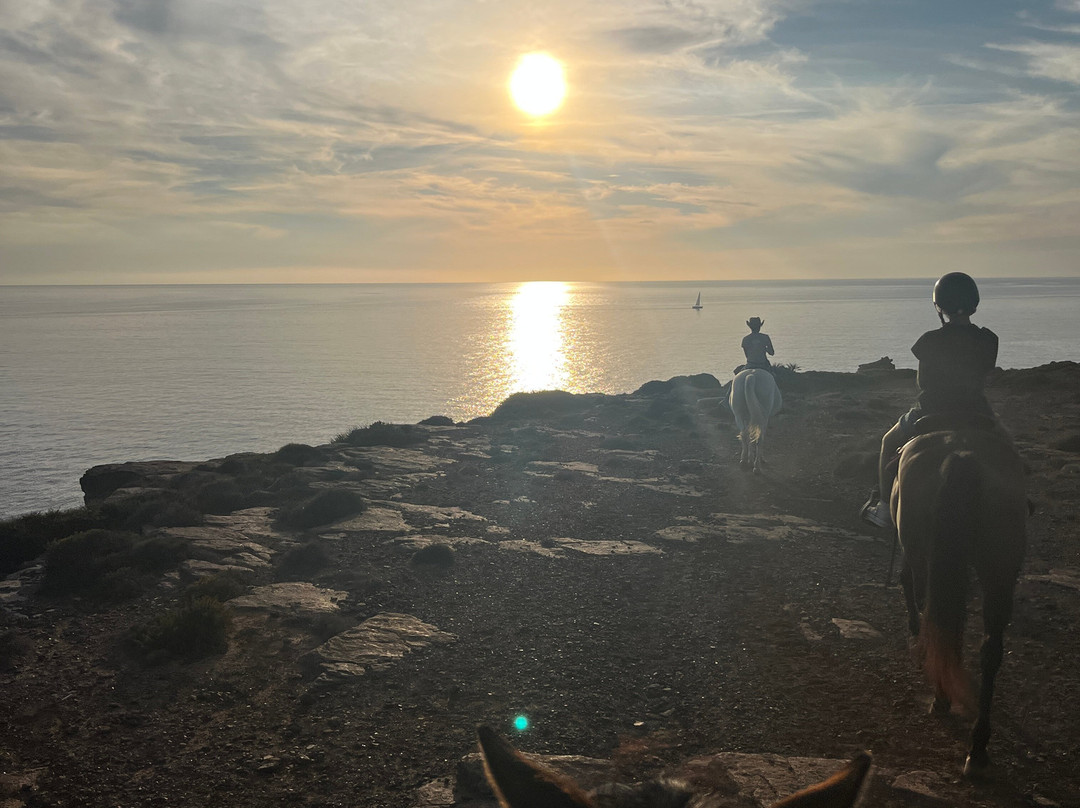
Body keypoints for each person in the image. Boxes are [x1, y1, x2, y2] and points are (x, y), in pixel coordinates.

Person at [860, 272, 999, 528]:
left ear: (940, 306)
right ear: (974, 303)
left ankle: (884, 509)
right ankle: (1019, 499)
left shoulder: (930, 340)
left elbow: (923, 383)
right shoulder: (988, 339)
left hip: (931, 411)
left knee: (888, 441)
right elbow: (985, 372)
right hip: (977, 411)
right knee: (1006, 449)